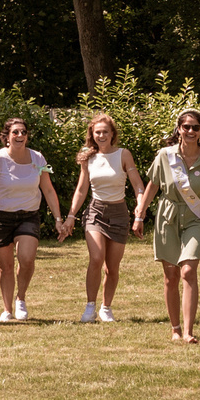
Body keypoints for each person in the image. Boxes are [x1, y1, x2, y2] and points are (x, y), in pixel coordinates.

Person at [0, 118, 70, 320]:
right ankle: (7, 310)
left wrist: (58, 219)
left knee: (27, 259)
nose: (20, 136)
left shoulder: (37, 159)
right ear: (7, 137)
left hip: (28, 215)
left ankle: (20, 299)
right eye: (15, 132)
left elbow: (47, 189)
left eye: (23, 132)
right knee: (6, 267)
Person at [136, 108, 200, 343]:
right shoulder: (165, 155)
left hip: (196, 219)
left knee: (188, 270)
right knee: (170, 275)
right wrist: (140, 215)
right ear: (179, 129)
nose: (191, 131)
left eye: (196, 127)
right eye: (186, 127)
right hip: (167, 215)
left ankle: (188, 331)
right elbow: (153, 185)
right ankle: (174, 329)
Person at [65, 112, 136, 323]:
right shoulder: (88, 157)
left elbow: (136, 182)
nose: (102, 135)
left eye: (105, 131)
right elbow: (81, 189)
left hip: (119, 213)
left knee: (112, 267)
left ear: (112, 133)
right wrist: (71, 216)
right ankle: (90, 306)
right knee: (96, 258)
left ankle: (106, 307)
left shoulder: (123, 154)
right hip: (96, 212)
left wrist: (140, 205)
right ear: (92, 134)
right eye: (98, 132)